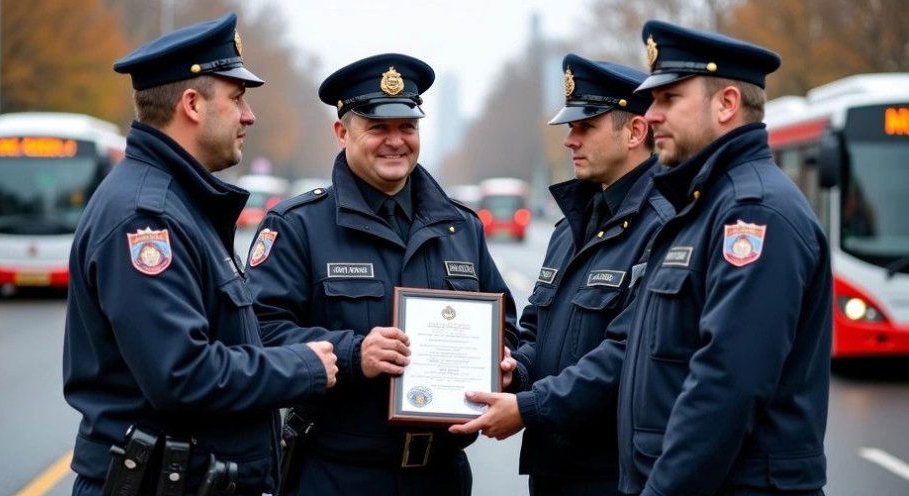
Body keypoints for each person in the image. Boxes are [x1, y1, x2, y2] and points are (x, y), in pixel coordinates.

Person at [455, 20, 833, 496]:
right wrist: (520, 370)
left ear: (727, 104)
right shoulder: (702, 207)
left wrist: (533, 408)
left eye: (669, 99)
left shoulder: (751, 212)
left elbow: (725, 385)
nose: (653, 114)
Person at [62, 13, 337, 496]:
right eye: (236, 98)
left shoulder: (180, 203)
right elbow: (182, 374)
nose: (248, 115)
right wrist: (303, 366)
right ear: (191, 103)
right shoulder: (147, 217)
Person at [243, 53, 519, 496]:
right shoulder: (299, 225)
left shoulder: (461, 226)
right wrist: (353, 354)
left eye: (407, 127)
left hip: (442, 477)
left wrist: (507, 365)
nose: (396, 141)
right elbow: (257, 334)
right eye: (377, 128)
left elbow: (508, 326)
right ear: (342, 133)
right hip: (337, 475)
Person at [450, 55, 671, 496]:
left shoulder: (663, 226)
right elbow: (537, 326)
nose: (570, 140)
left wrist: (528, 408)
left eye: (585, 126)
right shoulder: (571, 226)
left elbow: (625, 356)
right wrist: (516, 370)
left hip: (616, 472)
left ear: (635, 131)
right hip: (555, 468)